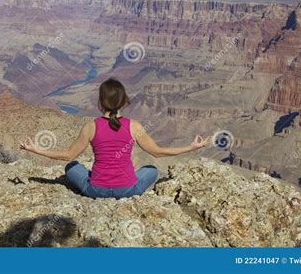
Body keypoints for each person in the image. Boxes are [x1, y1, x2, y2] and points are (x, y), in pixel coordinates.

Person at [20, 78, 209, 199]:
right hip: (128, 190)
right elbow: (158, 153)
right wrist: (191, 147)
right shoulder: (134, 126)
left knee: (71, 167)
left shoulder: (91, 126)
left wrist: (36, 149)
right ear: (124, 101)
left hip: (96, 190)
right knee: (151, 170)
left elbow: (68, 155)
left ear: (101, 102)